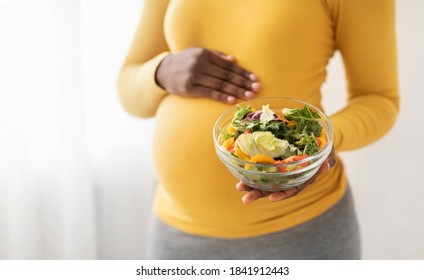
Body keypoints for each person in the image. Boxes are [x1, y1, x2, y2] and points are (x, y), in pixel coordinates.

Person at [117, 0, 399, 260]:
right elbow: (129, 90)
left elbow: (379, 99)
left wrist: (318, 147)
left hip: (299, 232)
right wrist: (161, 71)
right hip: (176, 230)